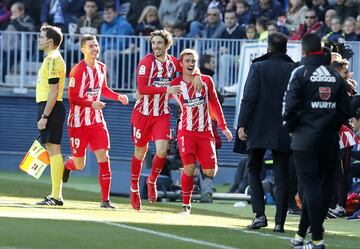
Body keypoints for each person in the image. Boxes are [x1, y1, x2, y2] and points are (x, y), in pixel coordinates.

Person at [282, 33, 355, 249]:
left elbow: (288, 109)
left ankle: (317, 240)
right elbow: (345, 111)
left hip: (305, 140)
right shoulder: (335, 77)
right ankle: (300, 236)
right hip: (330, 140)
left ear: (304, 51)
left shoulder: (301, 72)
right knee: (323, 189)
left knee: (310, 188)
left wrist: (293, 130)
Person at [129, 30, 201, 211]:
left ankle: (152, 180)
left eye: (159, 43)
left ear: (167, 45)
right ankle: (134, 189)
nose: (155, 46)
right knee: (140, 152)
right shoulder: (146, 63)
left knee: (162, 150)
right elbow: (142, 89)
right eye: (153, 43)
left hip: (161, 114)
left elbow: (189, 65)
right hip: (142, 114)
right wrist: (167, 89)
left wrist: (198, 75)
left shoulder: (171, 63)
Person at [238, 32, 296, 233]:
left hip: (259, 126)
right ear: (286, 49)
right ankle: (280, 222)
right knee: (282, 176)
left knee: (253, 169)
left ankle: (260, 215)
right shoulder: (294, 68)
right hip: (284, 128)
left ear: (268, 48)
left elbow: (249, 98)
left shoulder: (258, 66)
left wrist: (242, 124)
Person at [63, 35, 129, 209]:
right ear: (83, 49)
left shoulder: (101, 67)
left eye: (96, 45)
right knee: (79, 164)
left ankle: (105, 200)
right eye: (91, 46)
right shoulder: (77, 70)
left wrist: (118, 96)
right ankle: (67, 164)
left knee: (104, 157)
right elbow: (72, 98)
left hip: (97, 122)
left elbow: (103, 88)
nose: (95, 49)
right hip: (78, 123)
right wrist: (91, 103)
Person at [172, 49, 233, 214]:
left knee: (210, 171)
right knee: (189, 169)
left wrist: (224, 127)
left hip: (205, 132)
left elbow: (215, 104)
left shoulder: (206, 81)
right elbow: (158, 90)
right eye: (187, 61)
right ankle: (186, 205)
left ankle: (201, 165)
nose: (191, 64)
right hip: (186, 131)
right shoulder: (175, 84)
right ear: (181, 64)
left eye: (193, 61)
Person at [35, 25, 66, 206]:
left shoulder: (53, 58)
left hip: (51, 108)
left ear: (50, 41)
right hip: (48, 107)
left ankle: (56, 196)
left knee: (54, 150)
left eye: (41, 37)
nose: (39, 39)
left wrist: (45, 116)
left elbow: (54, 90)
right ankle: (55, 195)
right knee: (51, 148)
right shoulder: (49, 58)